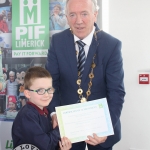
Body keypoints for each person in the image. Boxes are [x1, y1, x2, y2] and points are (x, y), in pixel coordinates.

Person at [45, 0, 125, 150]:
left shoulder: (111, 45)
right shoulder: (57, 42)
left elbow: (116, 92)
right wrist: (54, 113)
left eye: (84, 14)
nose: (78, 21)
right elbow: (51, 83)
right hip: (67, 129)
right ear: (66, 17)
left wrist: (106, 128)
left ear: (95, 15)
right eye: (72, 15)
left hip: (100, 130)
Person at [12, 66, 72, 150]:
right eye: (40, 90)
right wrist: (61, 128)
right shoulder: (27, 115)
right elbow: (45, 145)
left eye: (49, 89)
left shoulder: (44, 112)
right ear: (27, 93)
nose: (46, 94)